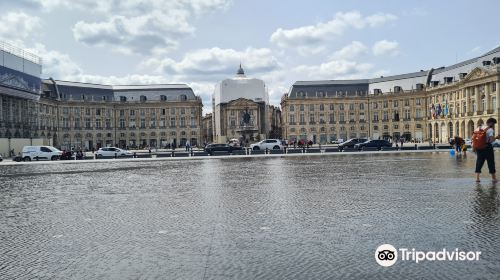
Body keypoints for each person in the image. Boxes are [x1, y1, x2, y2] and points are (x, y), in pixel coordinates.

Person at [473, 118, 498, 182]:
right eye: (493, 124)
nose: (493, 125)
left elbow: (473, 138)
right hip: (487, 147)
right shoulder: (490, 129)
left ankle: (477, 178)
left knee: (479, 162)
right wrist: (496, 137)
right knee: (491, 162)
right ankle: (494, 178)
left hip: (479, 147)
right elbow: (491, 140)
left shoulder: (478, 128)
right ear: (491, 123)